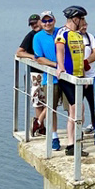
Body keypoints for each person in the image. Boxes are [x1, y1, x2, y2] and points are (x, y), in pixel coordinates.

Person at [53, 5, 90, 156]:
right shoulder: (63, 32)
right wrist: (60, 67)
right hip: (67, 77)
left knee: (78, 110)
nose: (83, 22)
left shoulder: (79, 35)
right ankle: (71, 144)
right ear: (75, 19)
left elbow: (80, 57)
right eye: (81, 19)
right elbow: (60, 49)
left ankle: (73, 143)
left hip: (78, 76)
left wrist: (84, 76)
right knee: (75, 109)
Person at [29, 10, 62, 148]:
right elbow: (39, 59)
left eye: (50, 20)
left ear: (54, 20)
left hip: (68, 76)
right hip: (50, 78)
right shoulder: (37, 37)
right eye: (44, 21)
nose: (47, 23)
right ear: (41, 23)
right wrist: (56, 65)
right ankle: (54, 136)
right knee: (51, 107)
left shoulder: (62, 32)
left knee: (74, 107)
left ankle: (76, 138)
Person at [16, 13, 46, 135]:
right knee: (37, 101)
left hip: (48, 72)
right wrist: (32, 56)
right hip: (34, 73)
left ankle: (38, 123)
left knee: (50, 101)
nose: (34, 25)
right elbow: (19, 52)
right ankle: (41, 127)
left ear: (41, 21)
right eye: (32, 24)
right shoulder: (31, 36)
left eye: (36, 23)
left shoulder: (48, 34)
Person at [80, 17, 95, 132]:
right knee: (77, 105)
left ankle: (94, 124)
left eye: (85, 24)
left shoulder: (89, 37)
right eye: (82, 25)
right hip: (76, 77)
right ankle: (77, 129)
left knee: (93, 103)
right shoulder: (72, 37)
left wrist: (86, 62)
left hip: (90, 76)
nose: (84, 27)